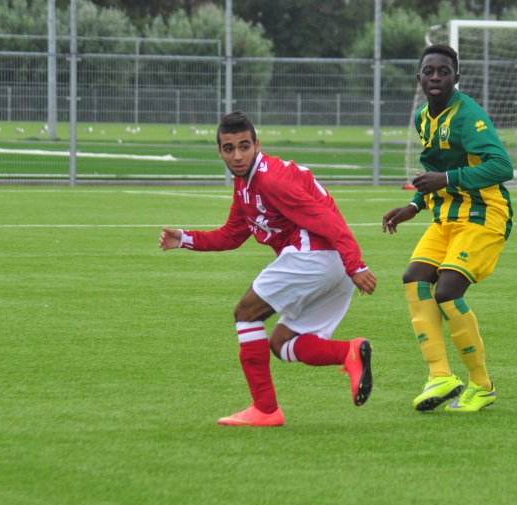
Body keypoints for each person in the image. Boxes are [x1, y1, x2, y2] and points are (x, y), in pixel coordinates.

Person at [160, 110, 377, 427]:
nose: (237, 155)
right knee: (282, 344)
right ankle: (350, 352)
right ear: (219, 151)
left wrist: (356, 264)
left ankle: (265, 409)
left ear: (257, 144)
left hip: (316, 254)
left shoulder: (271, 179)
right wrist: (184, 240)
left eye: (244, 146)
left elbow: (324, 218)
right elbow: (232, 234)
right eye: (230, 148)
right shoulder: (245, 184)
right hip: (330, 262)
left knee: (246, 313)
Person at [382, 44, 513, 413]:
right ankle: (440, 376)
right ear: (419, 78)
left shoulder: (468, 116)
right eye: (429, 71)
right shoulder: (423, 118)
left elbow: (503, 167)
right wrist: (412, 206)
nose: (435, 77)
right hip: (446, 218)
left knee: (447, 291)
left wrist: (447, 177)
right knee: (414, 278)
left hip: (483, 216)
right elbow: (432, 178)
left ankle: (482, 385)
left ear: (457, 77)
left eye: (443, 71)